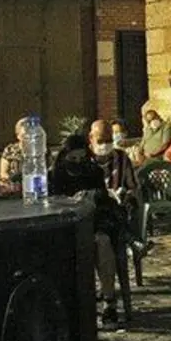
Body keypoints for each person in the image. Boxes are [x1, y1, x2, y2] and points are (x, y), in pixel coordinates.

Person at [49, 133, 125, 327]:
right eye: (73, 158)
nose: (77, 162)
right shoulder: (56, 174)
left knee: (102, 242)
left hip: (93, 219)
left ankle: (109, 302)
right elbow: (50, 201)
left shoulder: (92, 171)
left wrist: (92, 195)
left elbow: (103, 197)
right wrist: (68, 200)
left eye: (82, 158)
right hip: (65, 222)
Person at [89, 120, 139, 215]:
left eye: (109, 141)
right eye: (100, 141)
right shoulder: (83, 158)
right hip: (90, 211)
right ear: (91, 138)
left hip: (116, 209)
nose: (104, 145)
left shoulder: (122, 158)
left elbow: (133, 186)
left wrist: (126, 195)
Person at [0, 117, 31, 186]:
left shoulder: (41, 149)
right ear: (18, 136)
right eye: (24, 135)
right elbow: (3, 174)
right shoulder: (10, 150)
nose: (28, 138)